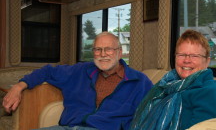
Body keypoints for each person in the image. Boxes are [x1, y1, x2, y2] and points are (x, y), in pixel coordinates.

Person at [3, 32, 153, 130]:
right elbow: (47, 71)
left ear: (119, 53)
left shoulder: (139, 82)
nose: (102, 54)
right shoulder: (80, 71)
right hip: (69, 127)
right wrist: (18, 87)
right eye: (97, 50)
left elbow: (150, 116)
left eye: (108, 49)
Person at [130, 29, 216, 130]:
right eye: (182, 55)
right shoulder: (165, 85)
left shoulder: (210, 91)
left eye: (194, 56)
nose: (187, 60)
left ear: (207, 62)